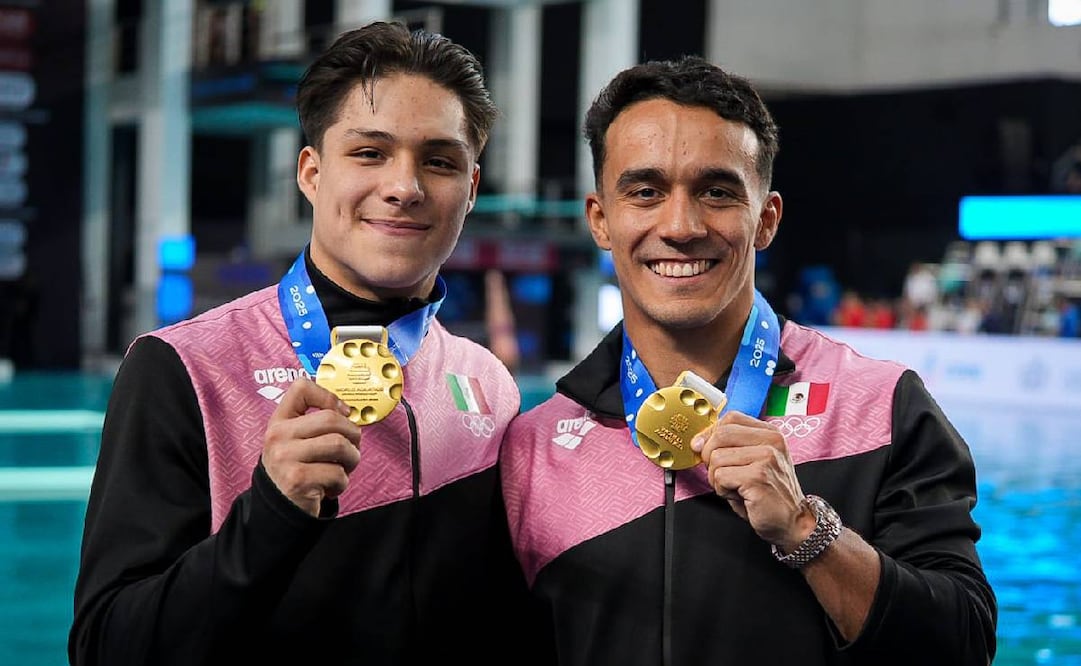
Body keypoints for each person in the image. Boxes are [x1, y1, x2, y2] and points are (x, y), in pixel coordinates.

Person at [71, 22, 543, 665]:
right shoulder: (186, 369)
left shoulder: (487, 383)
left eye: (438, 160)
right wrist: (270, 513)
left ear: (472, 188)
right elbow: (106, 647)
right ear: (311, 173)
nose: (404, 187)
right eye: (370, 153)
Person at [500, 56, 996, 665]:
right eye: (646, 192)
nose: (680, 226)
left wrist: (806, 531)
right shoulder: (534, 446)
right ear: (601, 219)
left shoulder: (880, 408)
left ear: (766, 219)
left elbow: (964, 645)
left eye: (716, 192)